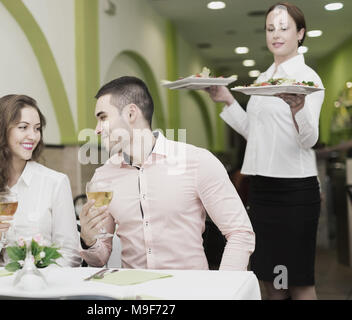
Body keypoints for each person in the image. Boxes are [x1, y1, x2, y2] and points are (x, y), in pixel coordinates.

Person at [205, 2, 324, 300]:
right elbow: (255, 134)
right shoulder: (263, 79)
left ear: (300, 33)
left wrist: (298, 109)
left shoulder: (309, 79)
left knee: (297, 281)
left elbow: (309, 139)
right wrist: (227, 100)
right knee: (269, 281)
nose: (276, 34)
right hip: (262, 189)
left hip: (295, 190)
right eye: (271, 28)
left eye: (284, 28)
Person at [79, 76, 255, 271]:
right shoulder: (103, 177)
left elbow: (240, 233)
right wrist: (89, 240)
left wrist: (224, 289)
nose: (96, 129)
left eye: (103, 118)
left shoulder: (197, 162)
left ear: (130, 114)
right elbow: (100, 257)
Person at [0, 94, 81, 267]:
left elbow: (70, 255)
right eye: (23, 127)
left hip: (44, 288)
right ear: (0, 131)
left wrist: (35, 280)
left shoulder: (56, 183)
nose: (33, 136)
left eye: (37, 128)